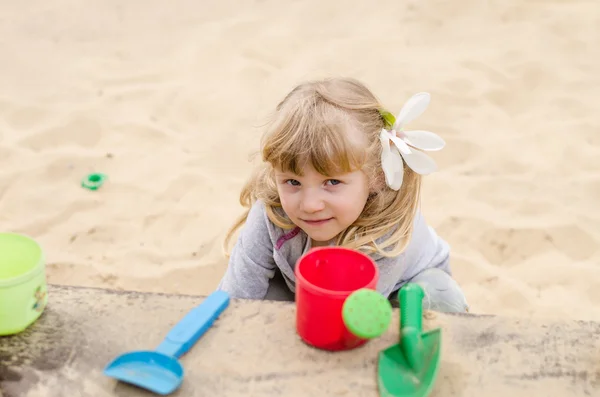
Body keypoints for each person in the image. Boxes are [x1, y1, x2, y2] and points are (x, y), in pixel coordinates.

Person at [216, 77, 468, 313]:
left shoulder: (386, 232)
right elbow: (235, 295)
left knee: (439, 299)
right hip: (309, 290)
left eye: (332, 182)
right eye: (293, 181)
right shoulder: (271, 213)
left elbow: (355, 315)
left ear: (376, 177)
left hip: (397, 290)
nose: (311, 205)